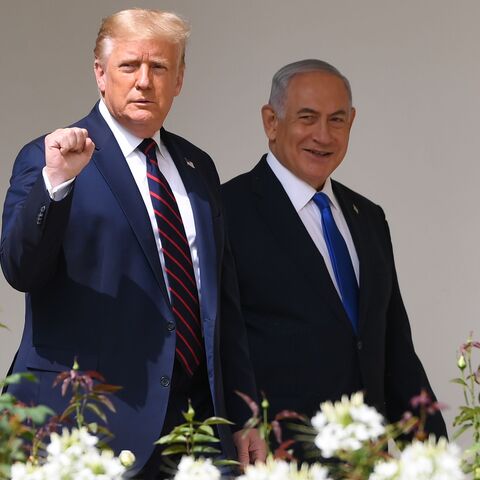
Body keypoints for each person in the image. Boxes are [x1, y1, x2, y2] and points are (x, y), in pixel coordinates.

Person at [0, 9, 264, 478]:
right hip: (85, 426)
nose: (144, 81)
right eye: (129, 66)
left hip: (196, 430)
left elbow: (224, 306)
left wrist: (243, 414)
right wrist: (56, 184)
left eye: (159, 67)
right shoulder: (52, 156)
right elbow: (21, 269)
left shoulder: (197, 168)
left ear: (179, 79)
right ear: (100, 74)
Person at [221, 59, 447, 458]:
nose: (323, 136)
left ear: (352, 123)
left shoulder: (369, 217)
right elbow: (218, 349)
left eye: (337, 120)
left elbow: (394, 351)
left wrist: (434, 459)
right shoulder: (225, 212)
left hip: (366, 460)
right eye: (307, 118)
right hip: (278, 460)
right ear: (271, 122)